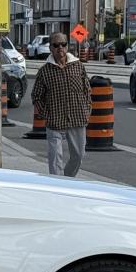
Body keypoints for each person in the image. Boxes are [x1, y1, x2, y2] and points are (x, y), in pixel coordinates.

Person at [31, 32, 91, 177]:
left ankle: (67, 180)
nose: (60, 48)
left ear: (67, 46)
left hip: (77, 119)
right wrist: (47, 115)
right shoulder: (45, 71)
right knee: (55, 159)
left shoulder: (78, 66)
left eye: (63, 44)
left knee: (79, 155)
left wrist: (87, 110)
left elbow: (87, 90)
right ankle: (56, 185)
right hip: (55, 122)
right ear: (50, 48)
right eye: (56, 45)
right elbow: (36, 96)